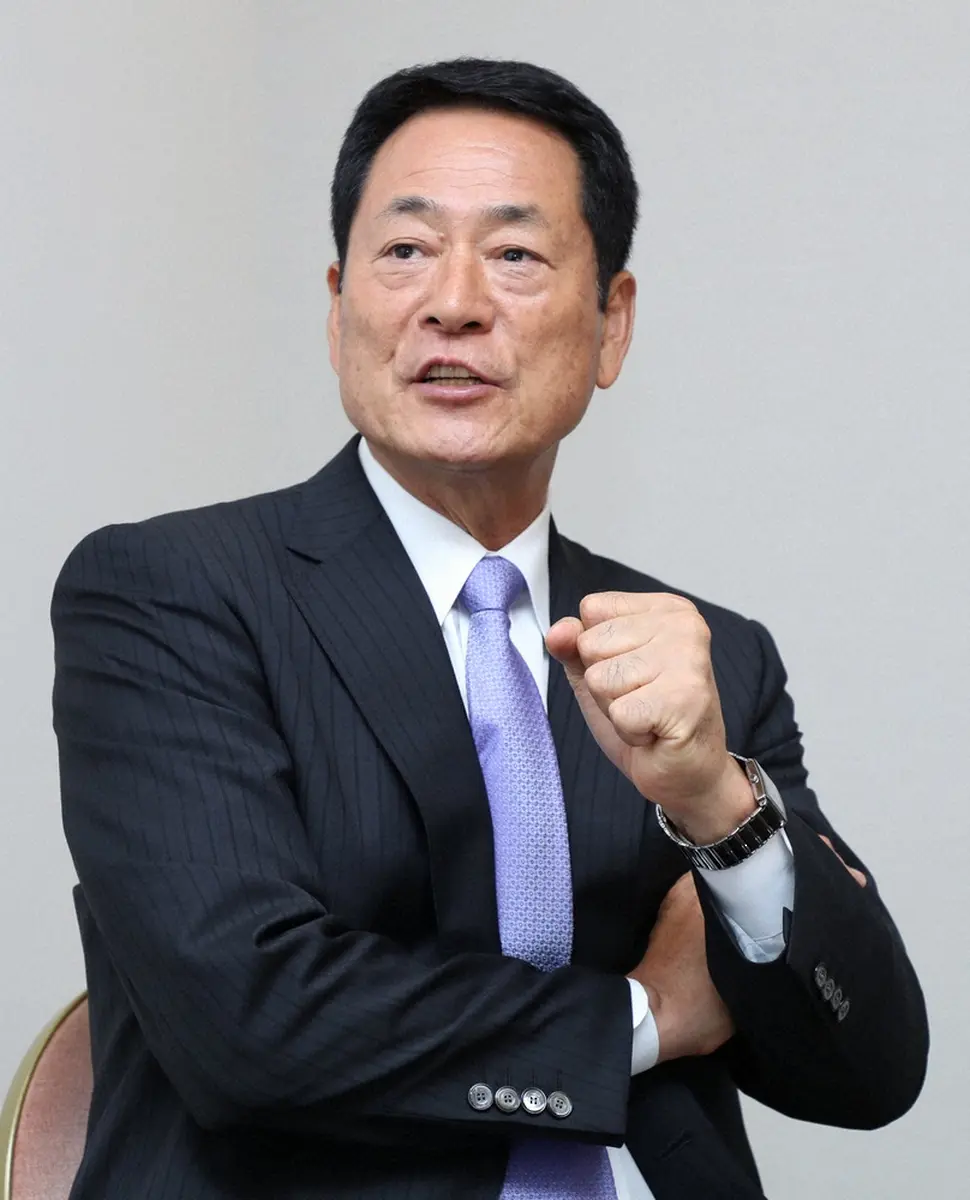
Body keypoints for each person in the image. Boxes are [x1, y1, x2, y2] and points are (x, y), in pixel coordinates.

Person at [51, 58, 928, 1200]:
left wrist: (720, 809)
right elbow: (250, 1022)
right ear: (338, 309)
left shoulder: (702, 654)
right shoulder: (170, 594)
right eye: (406, 250)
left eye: (514, 255)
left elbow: (867, 1072)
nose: (452, 301)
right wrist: (645, 1015)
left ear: (611, 325)